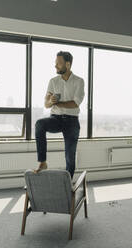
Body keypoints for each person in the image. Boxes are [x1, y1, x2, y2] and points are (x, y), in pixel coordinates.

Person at [34, 51, 85, 179]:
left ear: (67, 64)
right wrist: (50, 101)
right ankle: (42, 162)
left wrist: (58, 103)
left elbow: (75, 103)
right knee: (39, 124)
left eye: (59, 63)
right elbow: (46, 104)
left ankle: (68, 183)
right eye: (55, 63)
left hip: (72, 121)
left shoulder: (79, 81)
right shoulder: (53, 81)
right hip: (55, 119)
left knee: (70, 156)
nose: (55, 66)